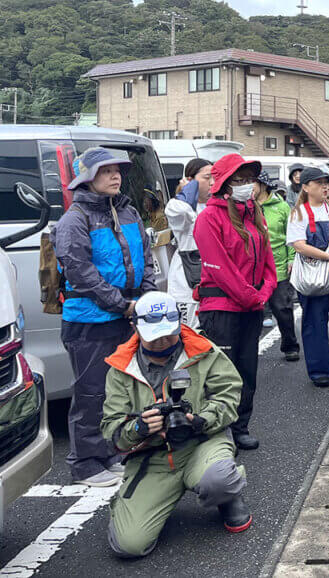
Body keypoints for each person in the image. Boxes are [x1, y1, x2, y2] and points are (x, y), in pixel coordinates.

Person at [101, 291, 250, 558]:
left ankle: (227, 497)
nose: (161, 341)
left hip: (201, 443)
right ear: (135, 326)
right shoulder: (120, 368)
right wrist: (139, 428)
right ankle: (146, 504)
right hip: (153, 458)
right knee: (129, 546)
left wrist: (202, 419)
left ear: (180, 322)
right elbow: (112, 430)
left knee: (220, 481)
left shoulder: (204, 351)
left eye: (168, 333)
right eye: (154, 334)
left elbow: (230, 396)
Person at [54, 146, 157, 487]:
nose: (115, 176)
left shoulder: (128, 213)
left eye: (117, 170)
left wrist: (144, 295)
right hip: (88, 319)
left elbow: (146, 256)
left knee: (119, 392)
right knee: (90, 392)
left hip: (124, 316)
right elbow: (80, 272)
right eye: (105, 171)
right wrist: (122, 303)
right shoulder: (75, 219)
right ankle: (85, 463)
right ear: (87, 177)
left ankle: (112, 452)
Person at [193, 154, 277, 451]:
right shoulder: (209, 218)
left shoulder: (254, 213)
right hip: (222, 308)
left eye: (248, 180)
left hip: (251, 306)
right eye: (238, 180)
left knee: (247, 370)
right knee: (221, 374)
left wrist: (265, 291)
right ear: (224, 185)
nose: (245, 186)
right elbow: (221, 268)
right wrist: (252, 296)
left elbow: (268, 261)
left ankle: (240, 425)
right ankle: (220, 430)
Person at [287, 168, 329, 385]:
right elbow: (299, 246)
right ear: (305, 187)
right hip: (315, 276)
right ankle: (319, 371)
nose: (326, 187)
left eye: (327, 182)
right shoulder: (298, 213)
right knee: (314, 323)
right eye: (319, 183)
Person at [257, 171, 300, 362]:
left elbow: (290, 236)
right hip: (253, 267)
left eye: (252, 182)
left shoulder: (281, 207)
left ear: (263, 185)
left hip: (278, 265)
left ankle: (290, 345)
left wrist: (291, 259)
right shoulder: (245, 207)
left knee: (282, 308)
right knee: (253, 311)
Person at [165, 158, 212, 329]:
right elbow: (180, 210)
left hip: (213, 275)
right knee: (190, 333)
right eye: (207, 177)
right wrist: (189, 190)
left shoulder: (214, 205)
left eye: (215, 177)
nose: (212, 182)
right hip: (187, 277)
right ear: (190, 180)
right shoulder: (178, 205)